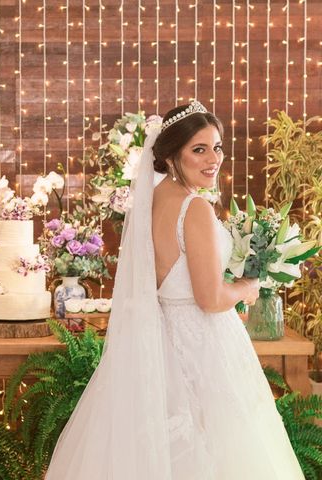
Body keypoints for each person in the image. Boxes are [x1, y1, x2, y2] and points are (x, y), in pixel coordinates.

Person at [45, 101, 304, 479]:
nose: (212, 159)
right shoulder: (194, 207)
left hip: (163, 339)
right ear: (169, 156)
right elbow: (210, 299)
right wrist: (248, 286)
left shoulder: (153, 202)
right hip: (203, 346)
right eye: (198, 149)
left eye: (217, 147)